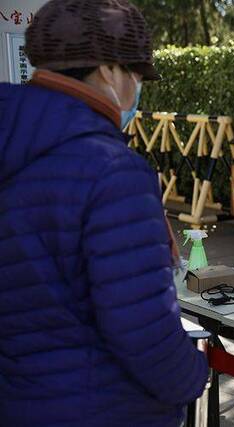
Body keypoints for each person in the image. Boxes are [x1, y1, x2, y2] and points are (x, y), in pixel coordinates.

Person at [0, 1, 207, 426]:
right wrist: (193, 376)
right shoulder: (112, 171)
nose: (136, 86)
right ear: (109, 70)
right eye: (136, 73)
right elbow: (144, 330)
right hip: (104, 407)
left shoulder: (13, 142)